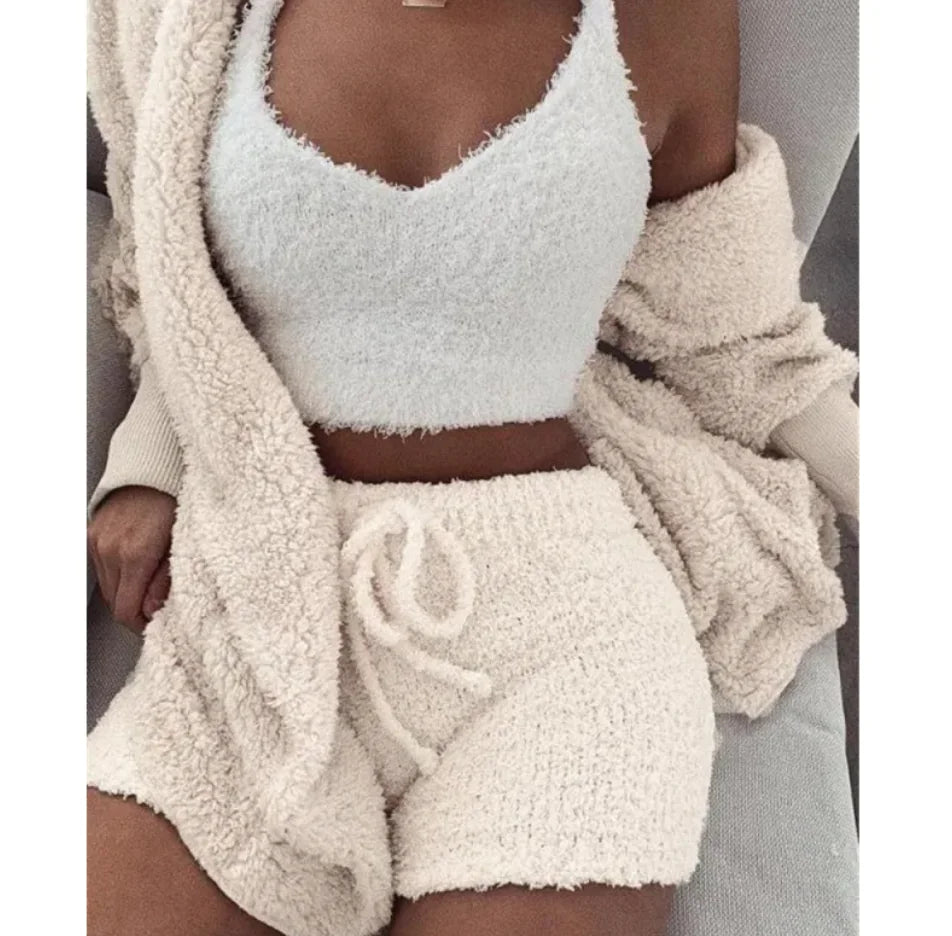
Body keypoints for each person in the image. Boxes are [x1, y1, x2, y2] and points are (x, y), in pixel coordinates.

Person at [86, 2, 856, 935]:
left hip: (564, 632)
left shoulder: (668, 15)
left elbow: (732, 329)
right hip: (265, 604)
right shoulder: (184, 15)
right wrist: (151, 458)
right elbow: (171, 266)